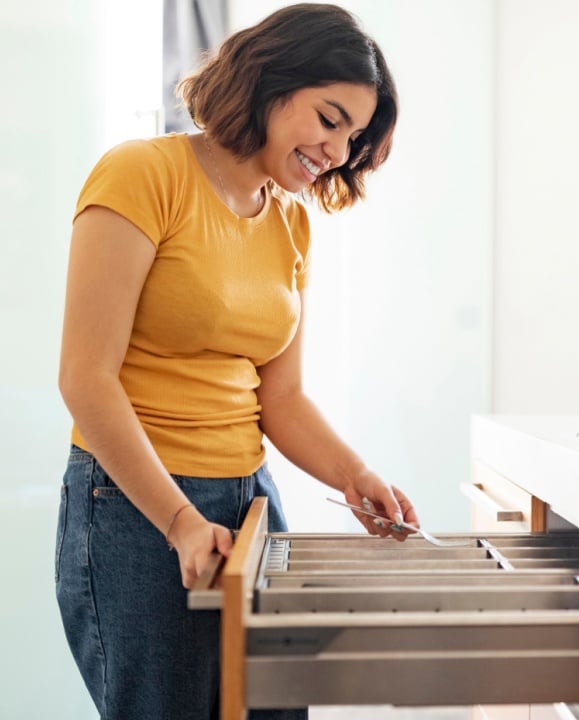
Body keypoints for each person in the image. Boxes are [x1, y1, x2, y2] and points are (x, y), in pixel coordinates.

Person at [53, 4, 410, 718]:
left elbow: (282, 399)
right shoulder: (142, 175)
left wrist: (357, 477)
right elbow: (85, 380)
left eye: (356, 137)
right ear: (273, 84)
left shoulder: (291, 220)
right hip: (137, 506)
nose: (339, 150)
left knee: (273, 708)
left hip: (249, 502)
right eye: (330, 118)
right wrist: (179, 520)